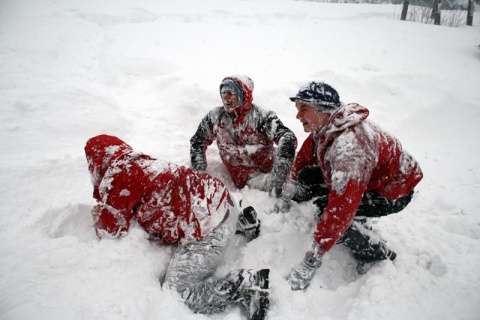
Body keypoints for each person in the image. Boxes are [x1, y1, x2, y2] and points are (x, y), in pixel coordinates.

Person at [85, 134, 270, 320]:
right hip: (222, 198)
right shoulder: (142, 162)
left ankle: (244, 285)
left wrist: (99, 212)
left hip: (209, 227)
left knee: (178, 291)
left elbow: (109, 230)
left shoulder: (115, 181)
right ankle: (242, 221)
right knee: (187, 203)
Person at [276, 82, 423, 290]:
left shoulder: (352, 147)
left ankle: (376, 252)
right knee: (307, 175)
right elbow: (306, 153)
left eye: (303, 109)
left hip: (392, 190)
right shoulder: (326, 124)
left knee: (324, 211)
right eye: (298, 109)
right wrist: (290, 185)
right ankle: (352, 215)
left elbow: (341, 209)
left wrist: (312, 260)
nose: (298, 116)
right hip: (364, 176)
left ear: (323, 111)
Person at [190, 75, 297, 197]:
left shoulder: (262, 117)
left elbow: (287, 137)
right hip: (250, 179)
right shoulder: (215, 117)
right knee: (287, 190)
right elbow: (197, 142)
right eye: (223, 92)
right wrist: (199, 170)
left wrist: (281, 169)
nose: (225, 97)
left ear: (243, 94)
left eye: (231, 93)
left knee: (302, 182)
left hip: (274, 168)